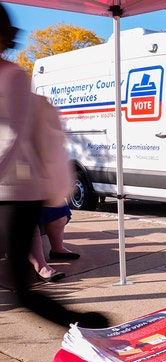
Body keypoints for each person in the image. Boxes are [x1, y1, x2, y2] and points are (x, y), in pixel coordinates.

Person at [0, 3, 108, 328]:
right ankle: (85, 323)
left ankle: (85, 323)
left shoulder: (14, 77)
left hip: (17, 193)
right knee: (20, 288)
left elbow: (11, 137)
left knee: (21, 288)